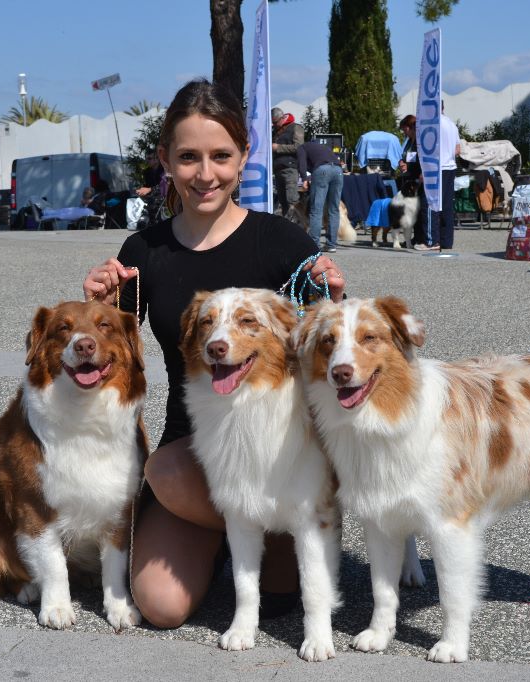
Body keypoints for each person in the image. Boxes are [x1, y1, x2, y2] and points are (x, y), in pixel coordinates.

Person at [83, 80, 344, 629]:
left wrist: (333, 305)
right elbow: (110, 365)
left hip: (281, 453)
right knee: (159, 603)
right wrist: (97, 311)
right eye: (189, 157)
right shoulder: (143, 251)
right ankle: (243, 531)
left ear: (245, 156)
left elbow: (333, 357)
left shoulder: (284, 244)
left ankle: (279, 526)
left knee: (282, 598)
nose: (206, 174)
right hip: (197, 456)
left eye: (221, 156)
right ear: (165, 160)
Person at [416, 103, 460, 252]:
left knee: (429, 204)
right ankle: (446, 241)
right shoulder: (452, 124)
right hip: (450, 167)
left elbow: (429, 149)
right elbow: (458, 150)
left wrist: (425, 170)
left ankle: (431, 241)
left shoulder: (431, 124)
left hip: (435, 168)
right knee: (446, 206)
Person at [297, 139, 344, 253]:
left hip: (322, 170)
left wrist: (304, 178)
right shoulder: (324, 147)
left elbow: (302, 164)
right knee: (334, 209)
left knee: (316, 209)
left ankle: (315, 244)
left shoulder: (302, 147)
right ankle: (331, 245)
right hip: (338, 170)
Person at [397, 114, 427, 247]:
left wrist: (408, 166)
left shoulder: (419, 141)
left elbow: (419, 160)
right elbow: (405, 156)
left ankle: (421, 238)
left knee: (419, 210)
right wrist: (402, 163)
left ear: (411, 127)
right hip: (408, 177)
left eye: (405, 130)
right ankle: (415, 237)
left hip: (417, 178)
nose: (404, 132)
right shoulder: (409, 141)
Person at [270, 107, 304, 221]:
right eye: (272, 122)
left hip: (290, 168)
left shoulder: (296, 127)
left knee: (292, 200)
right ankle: (287, 227)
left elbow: (299, 146)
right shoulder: (274, 131)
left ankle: (299, 226)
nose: (274, 125)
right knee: (282, 201)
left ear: (282, 118)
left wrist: (278, 147)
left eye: (275, 122)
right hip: (277, 169)